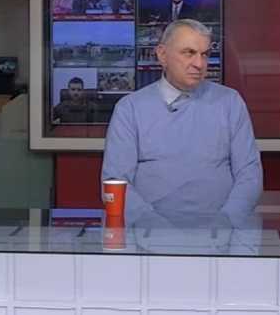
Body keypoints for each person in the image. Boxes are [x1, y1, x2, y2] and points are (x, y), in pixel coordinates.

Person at [102, 19, 261, 221]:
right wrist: (155, 229)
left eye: (205, 54)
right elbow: (116, 181)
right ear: (162, 55)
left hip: (218, 233)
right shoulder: (130, 109)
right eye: (189, 53)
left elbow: (249, 174)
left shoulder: (230, 102)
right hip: (149, 234)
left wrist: (226, 222)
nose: (199, 64)